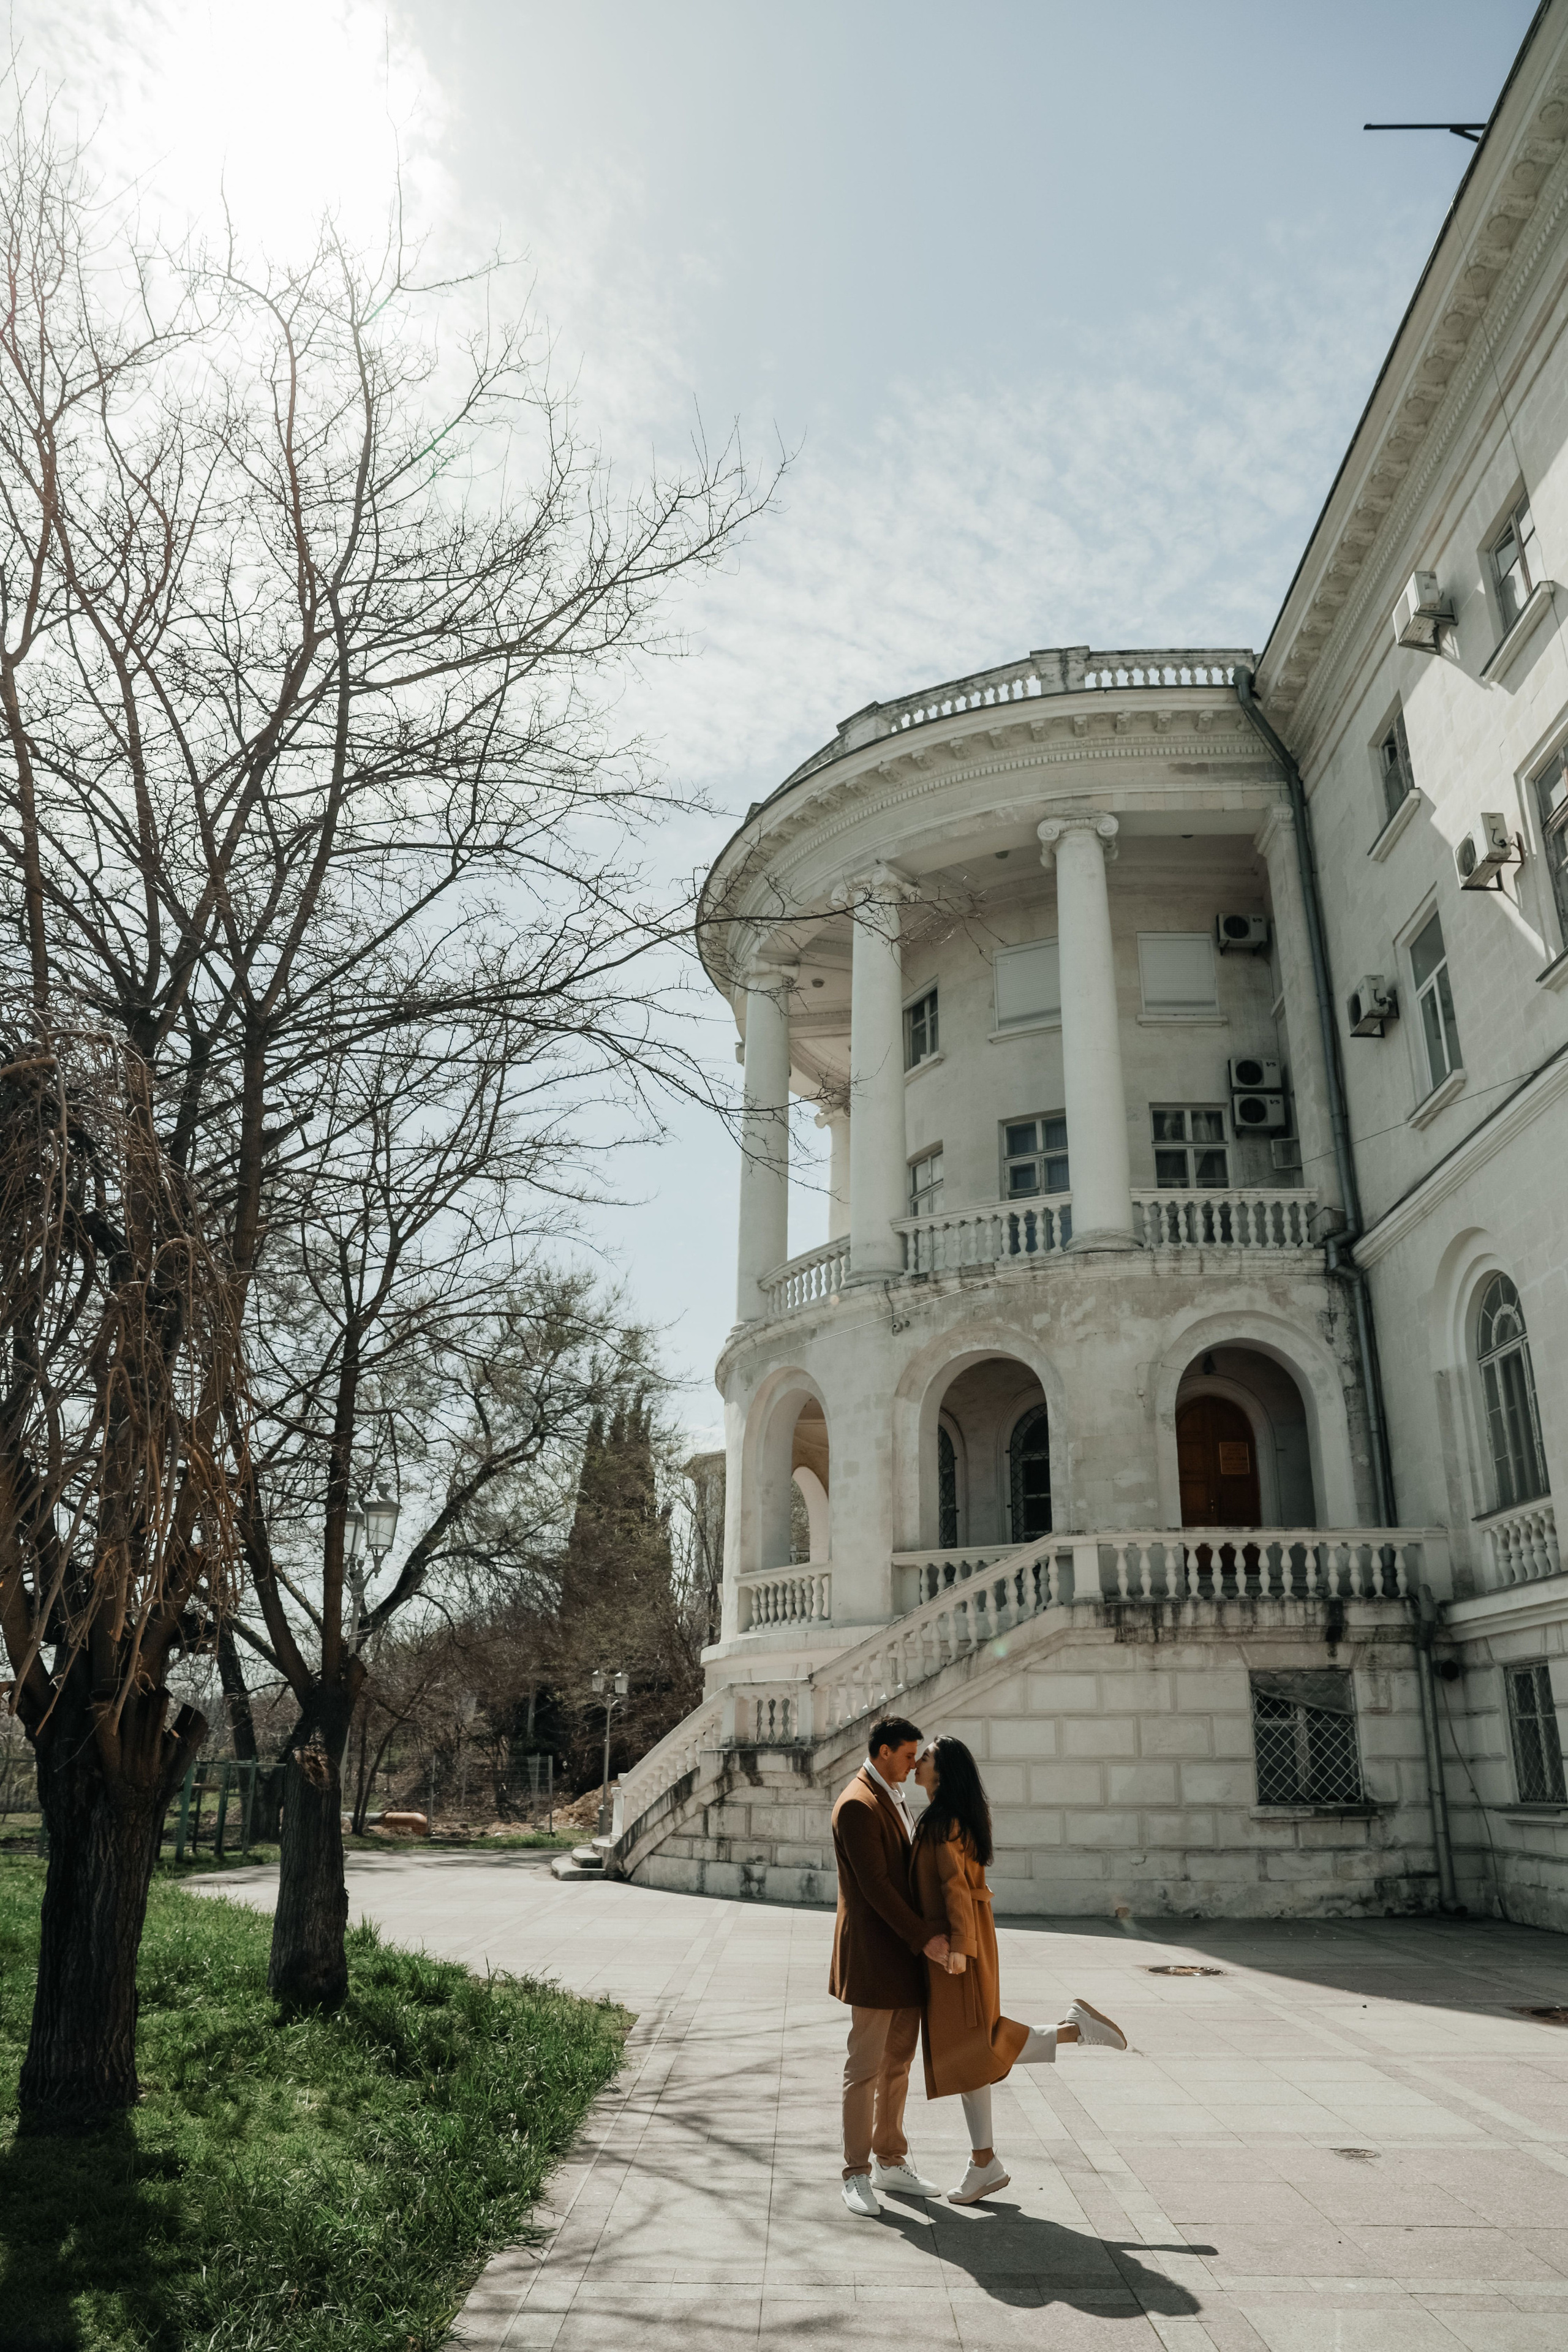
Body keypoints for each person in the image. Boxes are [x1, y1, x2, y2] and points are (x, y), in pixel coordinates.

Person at [912, 1734, 1128, 2204]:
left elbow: (954, 1887)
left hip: (958, 1948)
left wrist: (959, 1948)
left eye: (924, 1758)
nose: (916, 1763)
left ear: (943, 1771)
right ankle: (984, 2162)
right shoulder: (952, 1818)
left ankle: (1074, 2030)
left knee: (972, 2049)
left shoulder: (942, 1823)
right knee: (970, 2053)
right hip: (964, 1942)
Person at [829, 1714, 952, 2217]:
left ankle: (890, 2160)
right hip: (876, 1958)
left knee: (897, 2066)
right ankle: (855, 2173)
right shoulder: (858, 1804)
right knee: (864, 2070)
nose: (914, 1764)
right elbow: (876, 1886)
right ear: (883, 1752)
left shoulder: (892, 1795)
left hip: (902, 1957)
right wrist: (925, 1937)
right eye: (907, 1755)